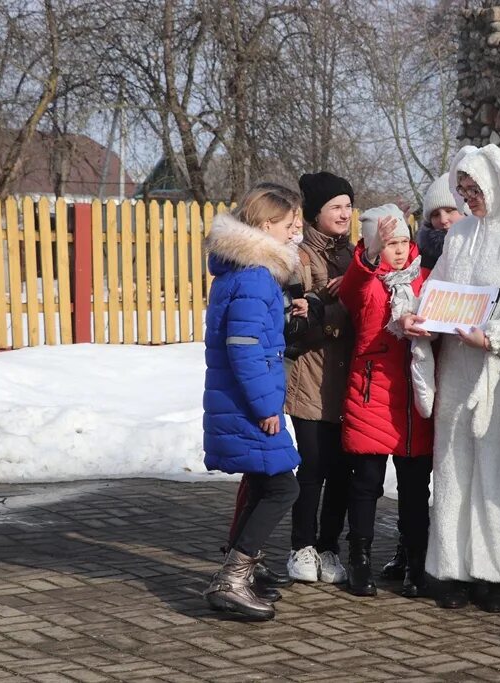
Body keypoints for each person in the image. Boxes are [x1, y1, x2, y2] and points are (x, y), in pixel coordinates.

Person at [402, 144, 500, 613]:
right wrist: (419, 319)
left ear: (496, 183)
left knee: (499, 471)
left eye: (474, 188)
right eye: (461, 190)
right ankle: (451, 568)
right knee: (452, 469)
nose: (469, 199)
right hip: (455, 367)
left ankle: (497, 573)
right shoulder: (460, 233)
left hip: (498, 372)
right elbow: (438, 290)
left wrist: (496, 336)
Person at [202, 184, 303, 620]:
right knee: (284, 485)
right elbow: (244, 348)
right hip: (249, 403)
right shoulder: (256, 276)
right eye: (288, 224)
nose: (294, 231)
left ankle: (244, 571)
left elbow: (253, 336)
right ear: (266, 226)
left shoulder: (239, 272)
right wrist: (265, 408)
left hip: (241, 397)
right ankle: (232, 579)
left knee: (265, 483)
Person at [338, 204, 434, 598]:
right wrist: (370, 255)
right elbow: (350, 290)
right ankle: (359, 559)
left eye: (404, 242)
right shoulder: (368, 280)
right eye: (390, 242)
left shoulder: (426, 279)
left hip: (414, 398)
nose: (399, 250)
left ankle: (415, 560)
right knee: (367, 485)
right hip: (373, 393)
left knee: (415, 488)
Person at [381, 172, 462, 582]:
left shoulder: (476, 256)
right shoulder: (417, 264)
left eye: (452, 210)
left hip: (461, 374)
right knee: (413, 476)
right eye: (436, 214)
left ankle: (444, 553)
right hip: (416, 377)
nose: (444, 220)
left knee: (448, 477)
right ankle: (411, 549)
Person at [283, 172, 355, 584]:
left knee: (342, 468)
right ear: (316, 213)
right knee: (312, 467)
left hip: (348, 377)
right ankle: (301, 547)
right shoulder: (298, 257)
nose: (344, 213)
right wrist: (334, 304)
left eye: (348, 205)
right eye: (335, 207)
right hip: (310, 377)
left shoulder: (355, 255)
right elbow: (296, 322)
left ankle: (329, 547)